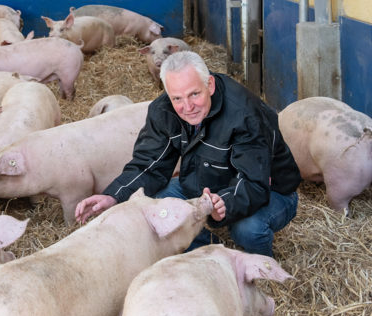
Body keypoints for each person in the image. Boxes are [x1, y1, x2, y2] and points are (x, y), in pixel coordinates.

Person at [75, 51, 301, 257]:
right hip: (206, 181)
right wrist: (113, 195)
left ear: (209, 85)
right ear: (167, 93)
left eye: (194, 94)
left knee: (246, 229)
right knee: (157, 208)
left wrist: (225, 202)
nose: (187, 106)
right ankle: (214, 255)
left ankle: (263, 267)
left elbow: (253, 181)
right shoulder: (163, 111)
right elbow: (148, 164)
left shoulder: (244, 114)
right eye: (177, 98)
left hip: (271, 190)